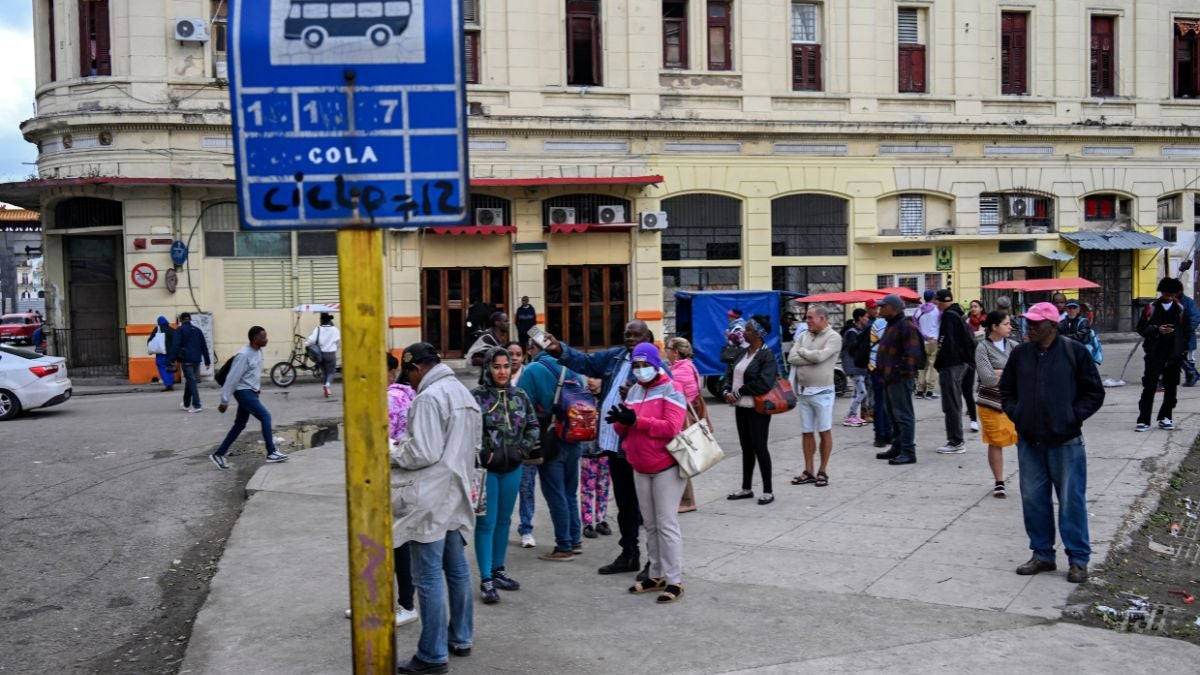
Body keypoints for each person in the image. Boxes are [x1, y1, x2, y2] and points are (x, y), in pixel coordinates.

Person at [999, 302, 1105, 584]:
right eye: (1029, 322)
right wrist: (1018, 414)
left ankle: (1078, 559)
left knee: (1071, 501)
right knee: (1033, 499)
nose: (1030, 327)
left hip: (1065, 442)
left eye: (1037, 323)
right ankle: (1042, 554)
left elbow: (1094, 393)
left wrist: (1072, 417)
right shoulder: (1021, 354)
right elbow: (1006, 390)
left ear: (1053, 325)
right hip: (1030, 441)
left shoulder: (1074, 352)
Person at [392, 342, 479, 674]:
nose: (410, 383)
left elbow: (423, 453)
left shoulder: (429, 397)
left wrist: (392, 451)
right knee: (456, 570)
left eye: (409, 375)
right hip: (458, 492)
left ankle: (432, 654)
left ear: (416, 368)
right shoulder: (463, 393)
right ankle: (461, 637)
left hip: (431, 496)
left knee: (427, 576)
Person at [544, 321, 652, 579]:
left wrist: (638, 394)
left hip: (640, 449)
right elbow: (586, 362)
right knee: (625, 506)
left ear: (648, 337)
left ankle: (656, 561)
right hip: (615, 447)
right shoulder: (616, 357)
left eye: (636, 335)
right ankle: (629, 554)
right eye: (627, 334)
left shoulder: (654, 366)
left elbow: (666, 402)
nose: (631, 338)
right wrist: (559, 349)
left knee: (648, 510)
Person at [610, 343, 688, 604]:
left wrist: (637, 421)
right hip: (640, 466)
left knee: (667, 524)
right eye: (637, 365)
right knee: (651, 525)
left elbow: (671, 427)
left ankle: (674, 580)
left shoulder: (671, 388)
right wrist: (620, 420)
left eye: (646, 365)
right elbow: (625, 428)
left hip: (666, 466)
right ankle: (656, 574)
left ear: (656, 364)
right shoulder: (634, 390)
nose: (641, 370)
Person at [346, 352, 419, 626]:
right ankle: (384, 601)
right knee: (391, 541)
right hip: (396, 477)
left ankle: (401, 604)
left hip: (386, 476)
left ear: (390, 372)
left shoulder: (390, 398)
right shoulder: (406, 394)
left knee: (387, 542)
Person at [470, 347, 539, 604]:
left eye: (506, 366)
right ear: (488, 367)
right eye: (496, 366)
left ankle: (498, 570)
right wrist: (485, 455)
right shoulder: (476, 397)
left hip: (513, 468)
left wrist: (522, 450)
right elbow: (467, 431)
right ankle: (486, 579)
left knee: (504, 520)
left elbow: (533, 425)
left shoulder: (520, 395)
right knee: (486, 523)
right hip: (485, 471)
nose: (502, 371)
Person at [519, 339, 587, 561]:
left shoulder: (532, 370)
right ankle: (575, 539)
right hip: (574, 437)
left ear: (532, 349)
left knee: (555, 494)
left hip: (550, 441)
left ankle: (564, 546)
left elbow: (522, 407)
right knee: (569, 492)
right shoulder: (571, 369)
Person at [209, 326, 288, 469]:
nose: (266, 339)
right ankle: (271, 452)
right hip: (243, 392)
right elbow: (232, 378)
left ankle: (219, 454)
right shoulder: (243, 355)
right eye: (263, 337)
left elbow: (252, 374)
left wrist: (256, 390)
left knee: (240, 425)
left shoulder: (258, 351)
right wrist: (224, 400)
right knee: (265, 416)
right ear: (255, 338)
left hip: (251, 392)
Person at [722, 314, 779, 504]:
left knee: (760, 447)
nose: (743, 332)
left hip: (757, 408)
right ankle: (746, 488)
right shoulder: (742, 352)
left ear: (758, 334)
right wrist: (726, 390)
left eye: (748, 329)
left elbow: (763, 383)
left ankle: (768, 491)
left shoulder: (766, 355)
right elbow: (730, 373)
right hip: (741, 407)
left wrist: (738, 392)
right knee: (746, 448)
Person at [788, 305, 841, 487]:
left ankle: (822, 471)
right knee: (807, 432)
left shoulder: (833, 337)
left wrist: (803, 352)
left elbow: (820, 357)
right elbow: (791, 358)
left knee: (824, 431)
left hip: (823, 392)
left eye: (810, 317)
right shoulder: (804, 335)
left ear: (822, 319)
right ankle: (808, 470)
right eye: (807, 317)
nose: (807, 321)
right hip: (803, 392)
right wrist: (810, 356)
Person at [1135, 277, 1191, 432]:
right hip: (1155, 354)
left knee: (1171, 387)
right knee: (1150, 386)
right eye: (1167, 295)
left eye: (1173, 295)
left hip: (1174, 355)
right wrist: (1157, 330)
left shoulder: (1180, 309)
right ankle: (1143, 419)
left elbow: (1187, 331)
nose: (1170, 298)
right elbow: (1141, 328)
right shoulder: (1151, 308)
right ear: (1162, 293)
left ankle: (1166, 417)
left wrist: (1183, 349)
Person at [874, 294, 924, 465]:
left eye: (883, 306)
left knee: (903, 415)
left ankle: (908, 451)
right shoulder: (892, 325)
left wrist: (898, 372)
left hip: (899, 379)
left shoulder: (906, 326)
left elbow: (912, 355)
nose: (880, 309)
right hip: (889, 379)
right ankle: (897, 447)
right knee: (893, 414)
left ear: (893, 309)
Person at [975, 311, 1019, 498]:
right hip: (991, 402)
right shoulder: (982, 347)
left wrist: (1000, 372)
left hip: (1015, 401)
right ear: (994, 327)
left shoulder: (1015, 346)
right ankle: (999, 481)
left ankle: (1029, 476)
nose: (1010, 327)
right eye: (1006, 324)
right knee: (995, 441)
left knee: (1023, 439)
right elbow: (987, 378)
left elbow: (1024, 373)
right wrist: (1010, 373)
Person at [665, 337, 709, 513]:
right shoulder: (683, 366)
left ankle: (688, 501)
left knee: (680, 459)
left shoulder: (681, 370)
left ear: (676, 352)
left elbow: (681, 395)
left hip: (682, 420)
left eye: (668, 349)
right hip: (682, 418)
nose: (666, 352)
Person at [932, 290, 976, 455]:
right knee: (955, 401)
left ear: (939, 301)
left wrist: (939, 362)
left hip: (951, 364)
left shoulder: (948, 316)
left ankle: (956, 441)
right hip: (961, 363)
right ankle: (956, 440)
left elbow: (945, 342)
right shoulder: (958, 314)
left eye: (936, 301)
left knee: (951, 404)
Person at [579, 377, 612, 539]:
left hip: (605, 449)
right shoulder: (582, 396)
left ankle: (601, 519)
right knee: (587, 487)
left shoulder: (608, 395)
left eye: (595, 377)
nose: (591, 380)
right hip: (587, 449)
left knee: (603, 486)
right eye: (589, 377)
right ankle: (587, 522)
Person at [171, 312, 210, 413]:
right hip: (197, 360)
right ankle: (186, 404)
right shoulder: (197, 330)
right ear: (190, 319)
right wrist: (207, 361)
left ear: (181, 320)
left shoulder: (179, 330)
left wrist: (171, 360)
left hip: (186, 360)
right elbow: (204, 346)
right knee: (190, 381)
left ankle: (197, 405)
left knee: (192, 382)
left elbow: (175, 346)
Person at [867, 300, 892, 448]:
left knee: (883, 401)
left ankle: (885, 434)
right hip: (880, 367)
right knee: (882, 402)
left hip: (875, 366)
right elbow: (888, 342)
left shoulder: (878, 323)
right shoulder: (883, 323)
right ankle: (881, 435)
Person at [840, 308, 870, 428]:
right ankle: (850, 416)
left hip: (857, 366)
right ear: (860, 318)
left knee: (857, 392)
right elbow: (853, 349)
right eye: (865, 317)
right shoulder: (852, 332)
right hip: (854, 366)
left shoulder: (858, 330)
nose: (867, 319)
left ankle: (853, 415)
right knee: (862, 392)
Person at [913, 290, 941, 398]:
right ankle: (930, 391)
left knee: (922, 367)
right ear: (933, 298)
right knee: (934, 367)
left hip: (922, 342)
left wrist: (924, 336)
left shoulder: (918, 311)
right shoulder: (938, 310)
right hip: (934, 341)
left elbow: (916, 327)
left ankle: (920, 390)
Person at [306, 313, 341, 398]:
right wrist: (335, 348)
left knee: (325, 373)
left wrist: (306, 344)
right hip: (331, 353)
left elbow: (311, 341)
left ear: (321, 320)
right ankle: (327, 385)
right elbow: (338, 342)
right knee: (331, 372)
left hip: (320, 354)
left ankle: (326, 389)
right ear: (329, 320)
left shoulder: (317, 329)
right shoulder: (335, 330)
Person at [149, 316, 176, 392]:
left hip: (161, 353)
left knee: (162, 367)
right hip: (171, 354)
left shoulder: (157, 329)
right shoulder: (172, 330)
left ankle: (168, 384)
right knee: (170, 368)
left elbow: (151, 339)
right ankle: (171, 383)